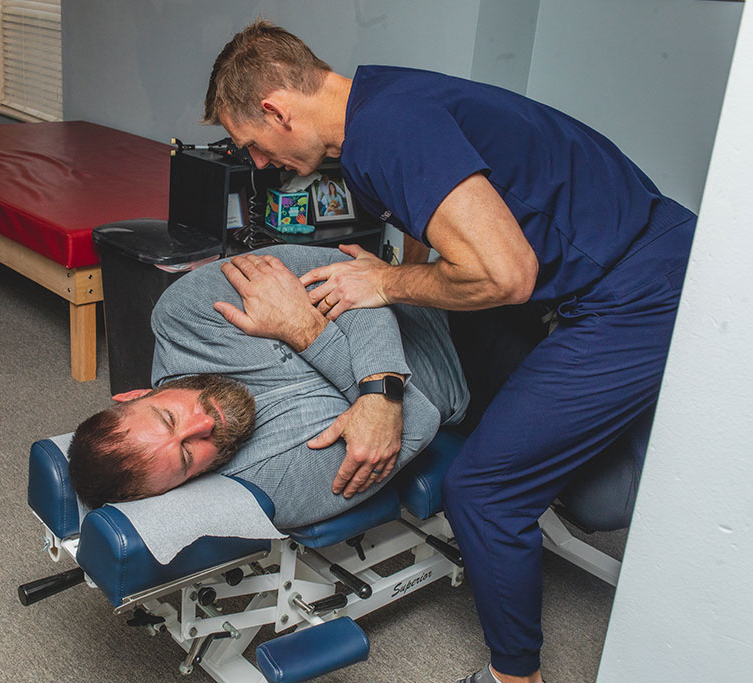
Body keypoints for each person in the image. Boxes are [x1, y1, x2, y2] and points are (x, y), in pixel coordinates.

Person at [202, 20, 696, 683]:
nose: (258, 164)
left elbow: (506, 274)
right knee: (462, 379)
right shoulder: (372, 106)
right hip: (605, 269)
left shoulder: (390, 132)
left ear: (275, 109)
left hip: (639, 288)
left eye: (252, 146)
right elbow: (422, 227)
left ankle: (514, 677)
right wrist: (396, 291)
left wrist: (381, 282)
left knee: (485, 492)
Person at [67, 245, 468, 528]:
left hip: (434, 285)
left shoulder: (187, 314)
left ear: (134, 393)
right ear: (181, 487)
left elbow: (348, 273)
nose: (202, 425)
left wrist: (371, 398)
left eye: (169, 418)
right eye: (188, 456)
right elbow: (416, 417)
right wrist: (307, 329)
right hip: (475, 380)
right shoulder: (268, 484)